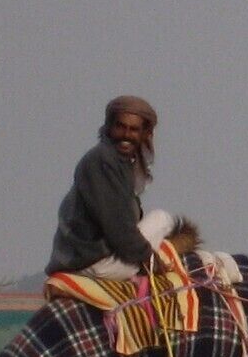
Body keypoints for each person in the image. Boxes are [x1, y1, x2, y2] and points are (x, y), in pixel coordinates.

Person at [48, 95, 173, 280]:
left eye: (134, 130)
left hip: (84, 258)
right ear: (108, 127)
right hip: (93, 264)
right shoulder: (103, 161)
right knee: (163, 219)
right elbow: (118, 227)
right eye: (120, 127)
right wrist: (151, 260)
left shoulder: (118, 162)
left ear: (145, 134)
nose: (126, 135)